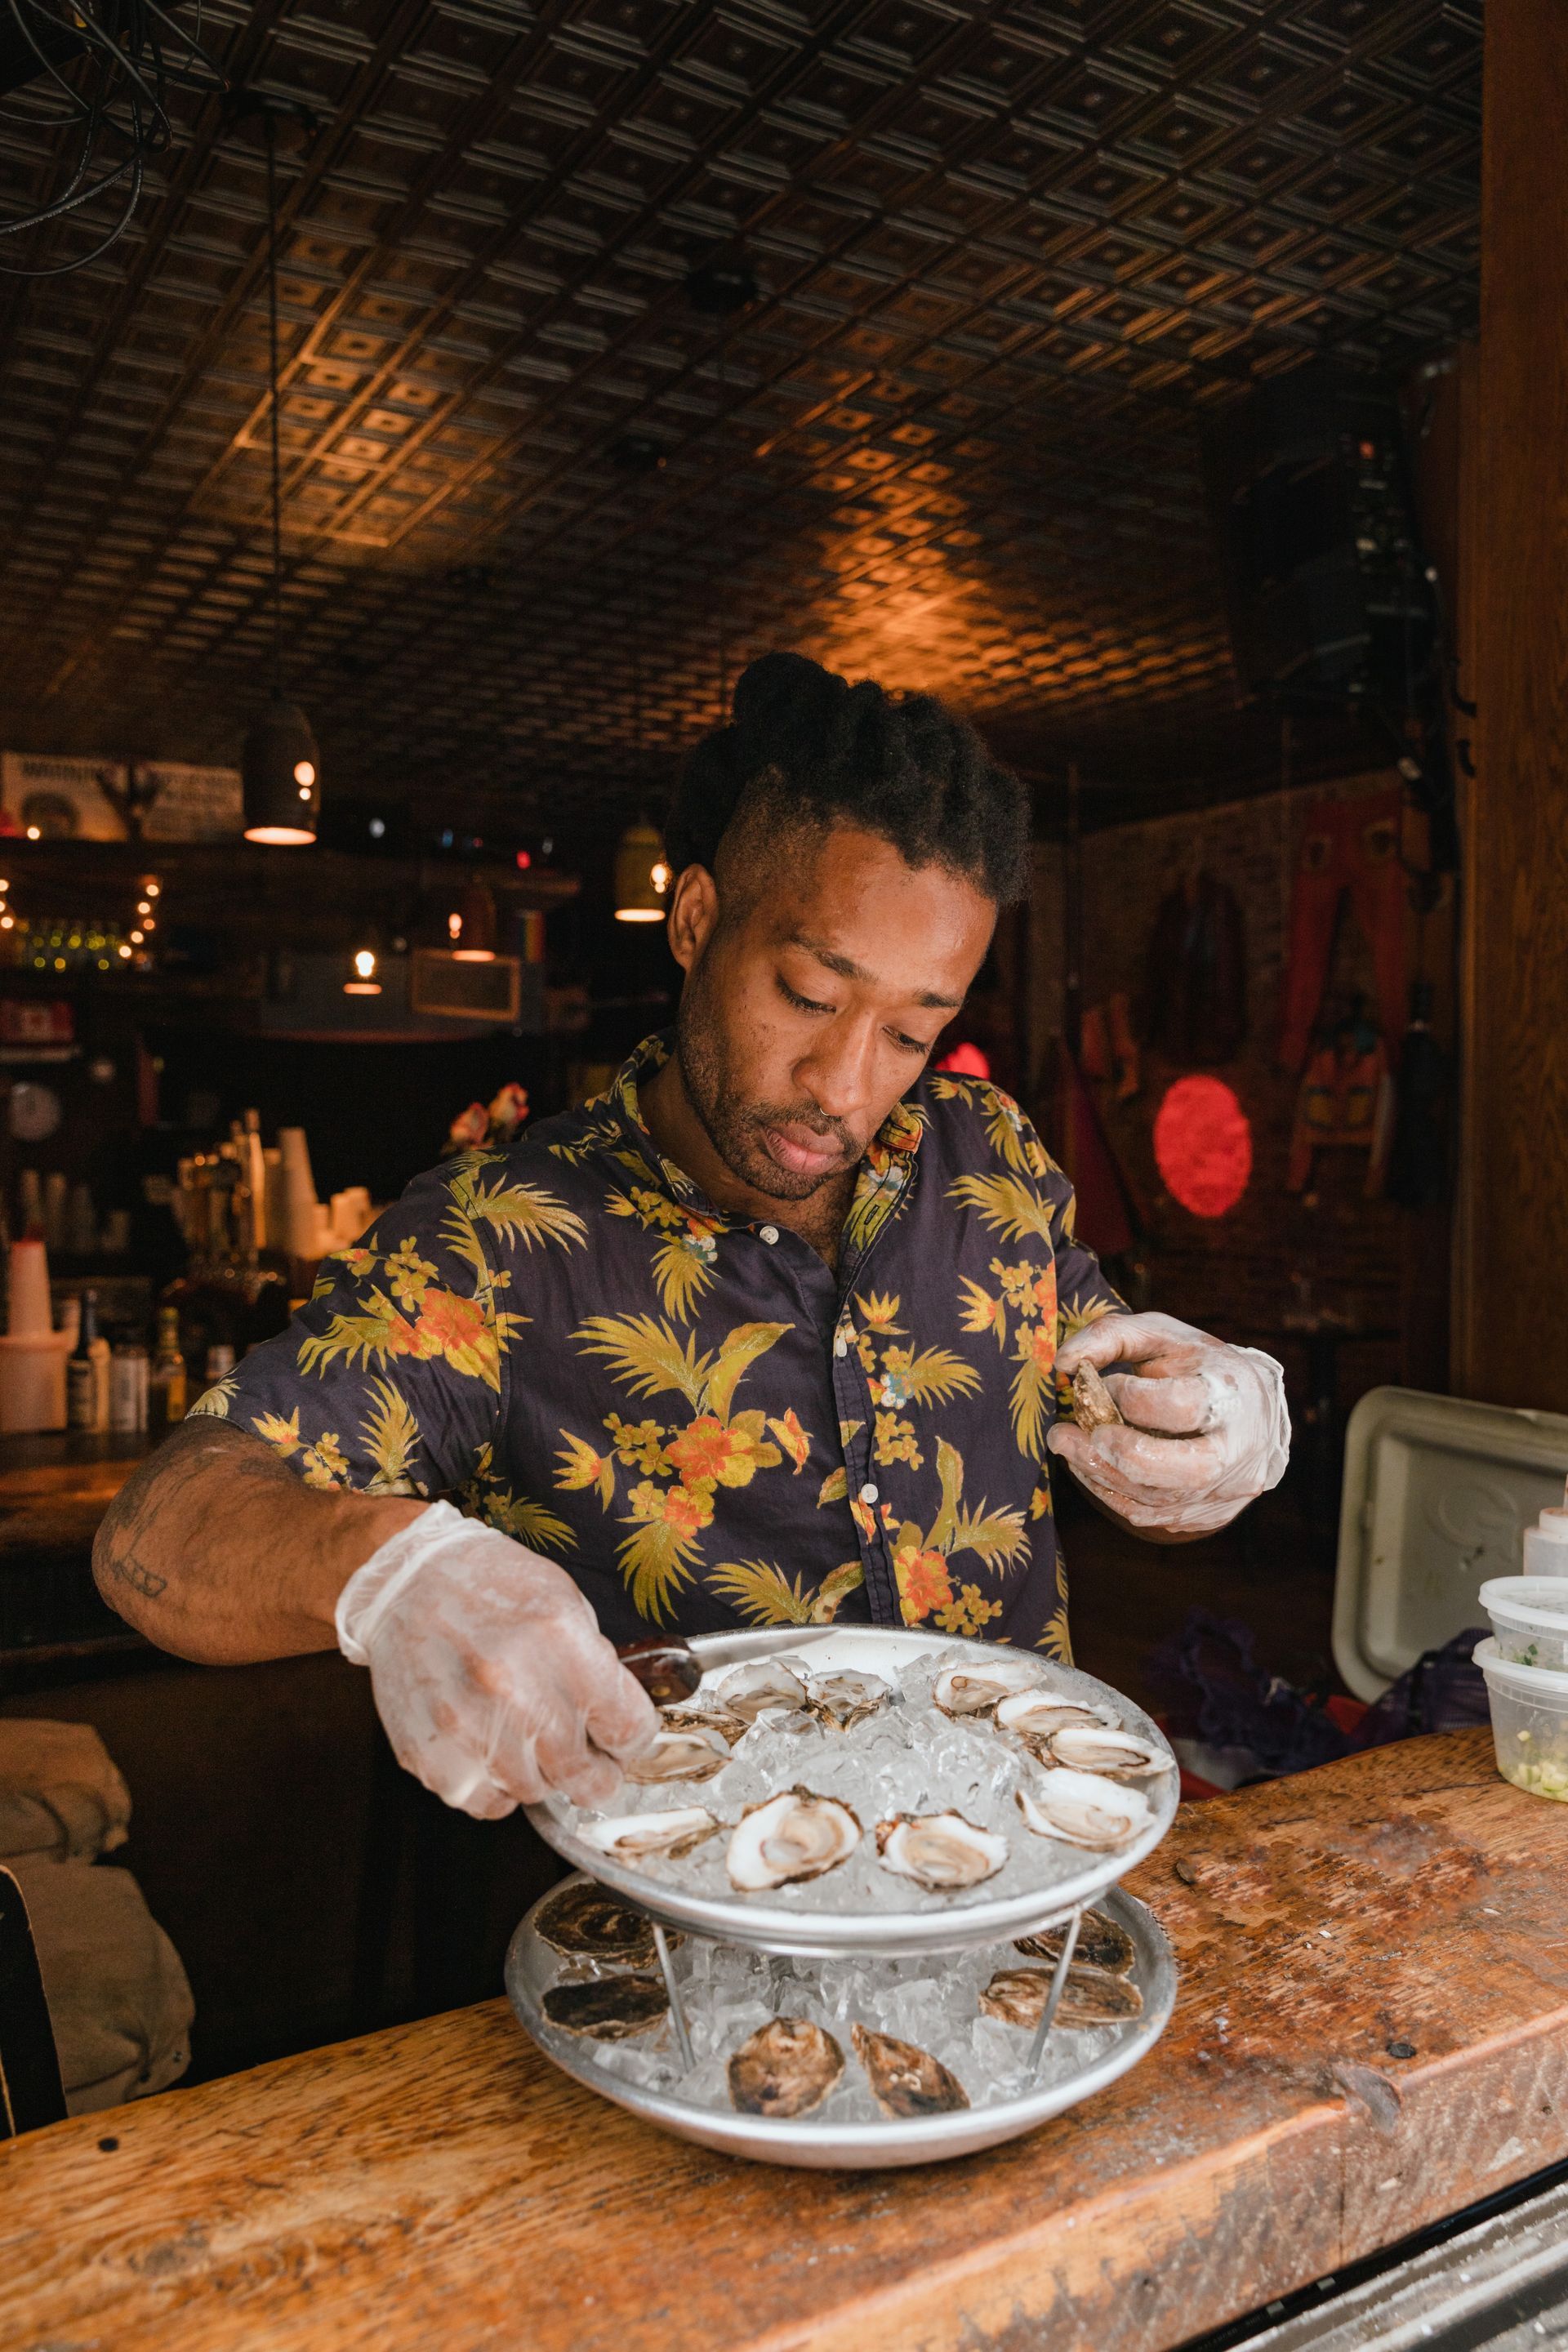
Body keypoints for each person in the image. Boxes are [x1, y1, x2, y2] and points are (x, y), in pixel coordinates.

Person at [94, 654, 1289, 1820]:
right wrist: (386, 1572)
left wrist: (1214, 1412)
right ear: (698, 917)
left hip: (1018, 1869)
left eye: (912, 1032)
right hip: (685, 1928)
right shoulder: (503, 1238)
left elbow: (1098, 1353)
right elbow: (162, 1527)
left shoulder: (986, 1154)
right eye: (811, 998)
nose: (843, 1084)